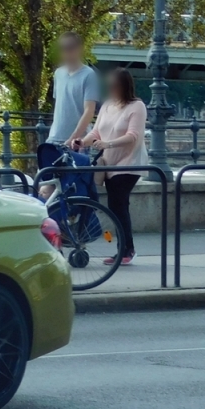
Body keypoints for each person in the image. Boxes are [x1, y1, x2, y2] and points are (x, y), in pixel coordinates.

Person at [75, 68, 146, 265]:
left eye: (115, 86)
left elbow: (133, 136)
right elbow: (97, 132)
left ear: (124, 86)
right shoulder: (107, 105)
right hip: (110, 162)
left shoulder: (136, 106)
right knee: (117, 207)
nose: (111, 89)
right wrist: (82, 142)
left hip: (129, 163)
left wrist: (108, 144)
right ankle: (124, 249)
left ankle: (126, 250)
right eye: (110, 86)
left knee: (118, 204)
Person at [39, 32, 100, 186]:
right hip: (54, 138)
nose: (66, 52)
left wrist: (73, 138)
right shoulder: (58, 73)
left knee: (74, 190)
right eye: (63, 48)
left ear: (79, 49)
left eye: (70, 48)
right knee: (45, 188)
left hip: (76, 143)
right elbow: (60, 105)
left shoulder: (89, 75)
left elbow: (89, 111)